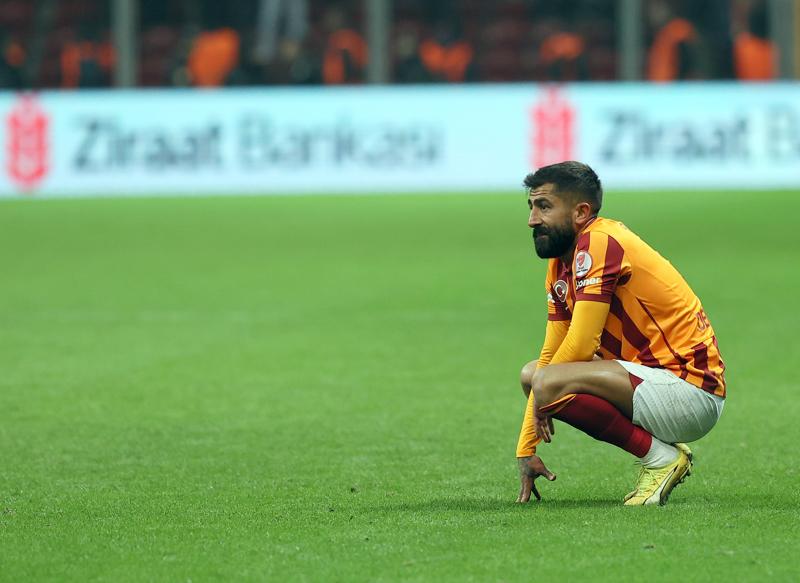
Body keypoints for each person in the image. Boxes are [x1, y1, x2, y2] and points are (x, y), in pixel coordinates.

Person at [515, 161, 726, 506]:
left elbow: (580, 346)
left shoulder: (600, 241)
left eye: (544, 206)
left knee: (545, 381)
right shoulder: (560, 265)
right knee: (533, 375)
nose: (532, 219)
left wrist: (542, 394)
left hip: (691, 391)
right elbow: (551, 355)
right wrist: (526, 449)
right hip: (651, 383)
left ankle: (660, 458)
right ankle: (662, 454)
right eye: (531, 206)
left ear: (581, 212)